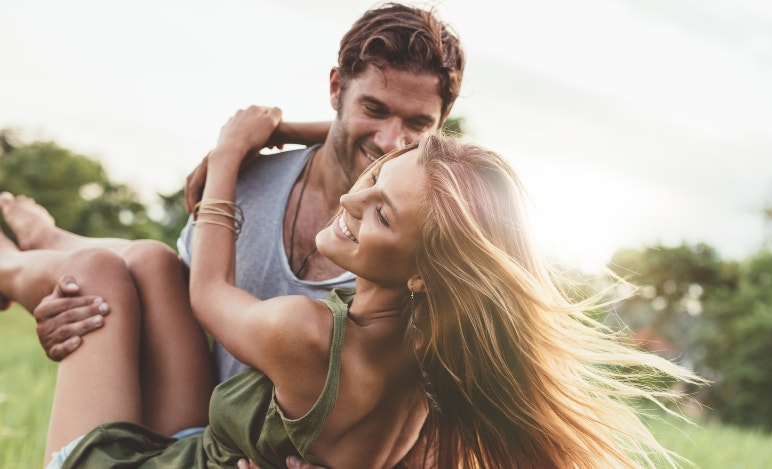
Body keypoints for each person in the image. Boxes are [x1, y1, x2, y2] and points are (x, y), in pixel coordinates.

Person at [1, 107, 701, 468]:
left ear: (424, 267)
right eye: (371, 185)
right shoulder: (435, 354)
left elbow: (208, 293)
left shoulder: (310, 336)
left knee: (98, 276)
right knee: (153, 263)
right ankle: (41, 235)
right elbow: (398, 162)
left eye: (382, 215)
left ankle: (12, 267)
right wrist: (305, 130)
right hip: (190, 447)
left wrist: (226, 157)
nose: (354, 204)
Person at [29, 2, 464, 381]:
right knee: (146, 259)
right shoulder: (248, 183)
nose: (391, 141)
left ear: (439, 127)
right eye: (374, 109)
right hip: (197, 429)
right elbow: (176, 305)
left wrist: (256, 139)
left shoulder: (421, 247)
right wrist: (71, 310)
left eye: (417, 124)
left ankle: (37, 244)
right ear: (336, 88)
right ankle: (34, 246)